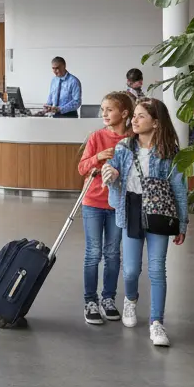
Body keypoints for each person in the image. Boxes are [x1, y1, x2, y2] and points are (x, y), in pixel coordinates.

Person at [102, 97, 187, 348]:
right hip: (132, 209)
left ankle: (156, 322)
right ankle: (130, 299)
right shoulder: (124, 147)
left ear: (156, 123)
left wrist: (182, 224)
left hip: (160, 211)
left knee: (157, 269)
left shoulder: (170, 153)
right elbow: (113, 168)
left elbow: (180, 189)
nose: (134, 120)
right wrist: (112, 173)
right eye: (134, 115)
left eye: (140, 116)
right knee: (130, 270)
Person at [77, 92, 134, 325]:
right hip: (92, 202)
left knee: (112, 254)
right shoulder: (96, 137)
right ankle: (90, 301)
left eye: (109, 109)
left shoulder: (132, 140)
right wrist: (97, 158)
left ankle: (108, 299)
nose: (104, 114)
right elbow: (82, 168)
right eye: (103, 110)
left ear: (124, 113)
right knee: (93, 253)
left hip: (118, 204)